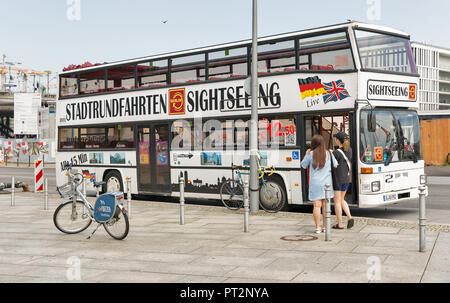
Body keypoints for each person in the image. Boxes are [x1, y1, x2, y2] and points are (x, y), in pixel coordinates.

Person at [301, 134, 338, 234]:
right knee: (326, 206)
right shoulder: (328, 154)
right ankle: (325, 227)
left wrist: (306, 153)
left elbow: (303, 165)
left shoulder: (310, 154)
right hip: (327, 184)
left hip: (315, 184)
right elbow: (335, 165)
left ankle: (317, 228)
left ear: (313, 143)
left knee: (317, 206)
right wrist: (331, 153)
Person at [332, 132, 354, 229]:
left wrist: (331, 153)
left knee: (337, 201)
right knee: (341, 199)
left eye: (336, 139)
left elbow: (333, 164)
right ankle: (349, 217)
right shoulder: (350, 150)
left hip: (338, 180)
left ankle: (340, 224)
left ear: (338, 141)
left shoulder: (336, 153)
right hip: (346, 179)